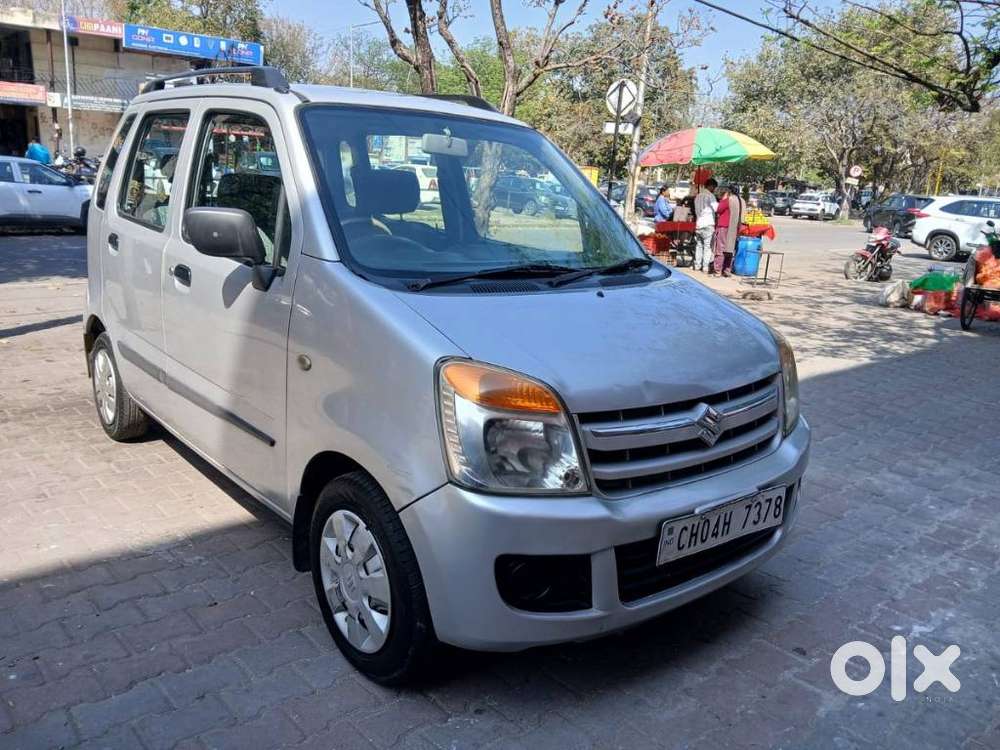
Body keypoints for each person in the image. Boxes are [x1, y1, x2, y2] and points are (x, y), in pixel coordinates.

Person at [713, 184, 746, 277]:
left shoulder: (729, 200)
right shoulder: (742, 201)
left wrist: (723, 199)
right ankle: (727, 270)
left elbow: (719, 209)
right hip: (736, 229)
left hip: (724, 227)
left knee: (720, 249)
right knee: (730, 249)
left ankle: (718, 270)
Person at [693, 178, 718, 273]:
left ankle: (697, 265)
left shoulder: (698, 196)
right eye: (714, 187)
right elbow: (717, 208)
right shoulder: (710, 196)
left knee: (699, 245)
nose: (714, 189)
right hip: (708, 223)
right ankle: (705, 267)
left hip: (699, 224)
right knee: (707, 247)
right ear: (711, 186)